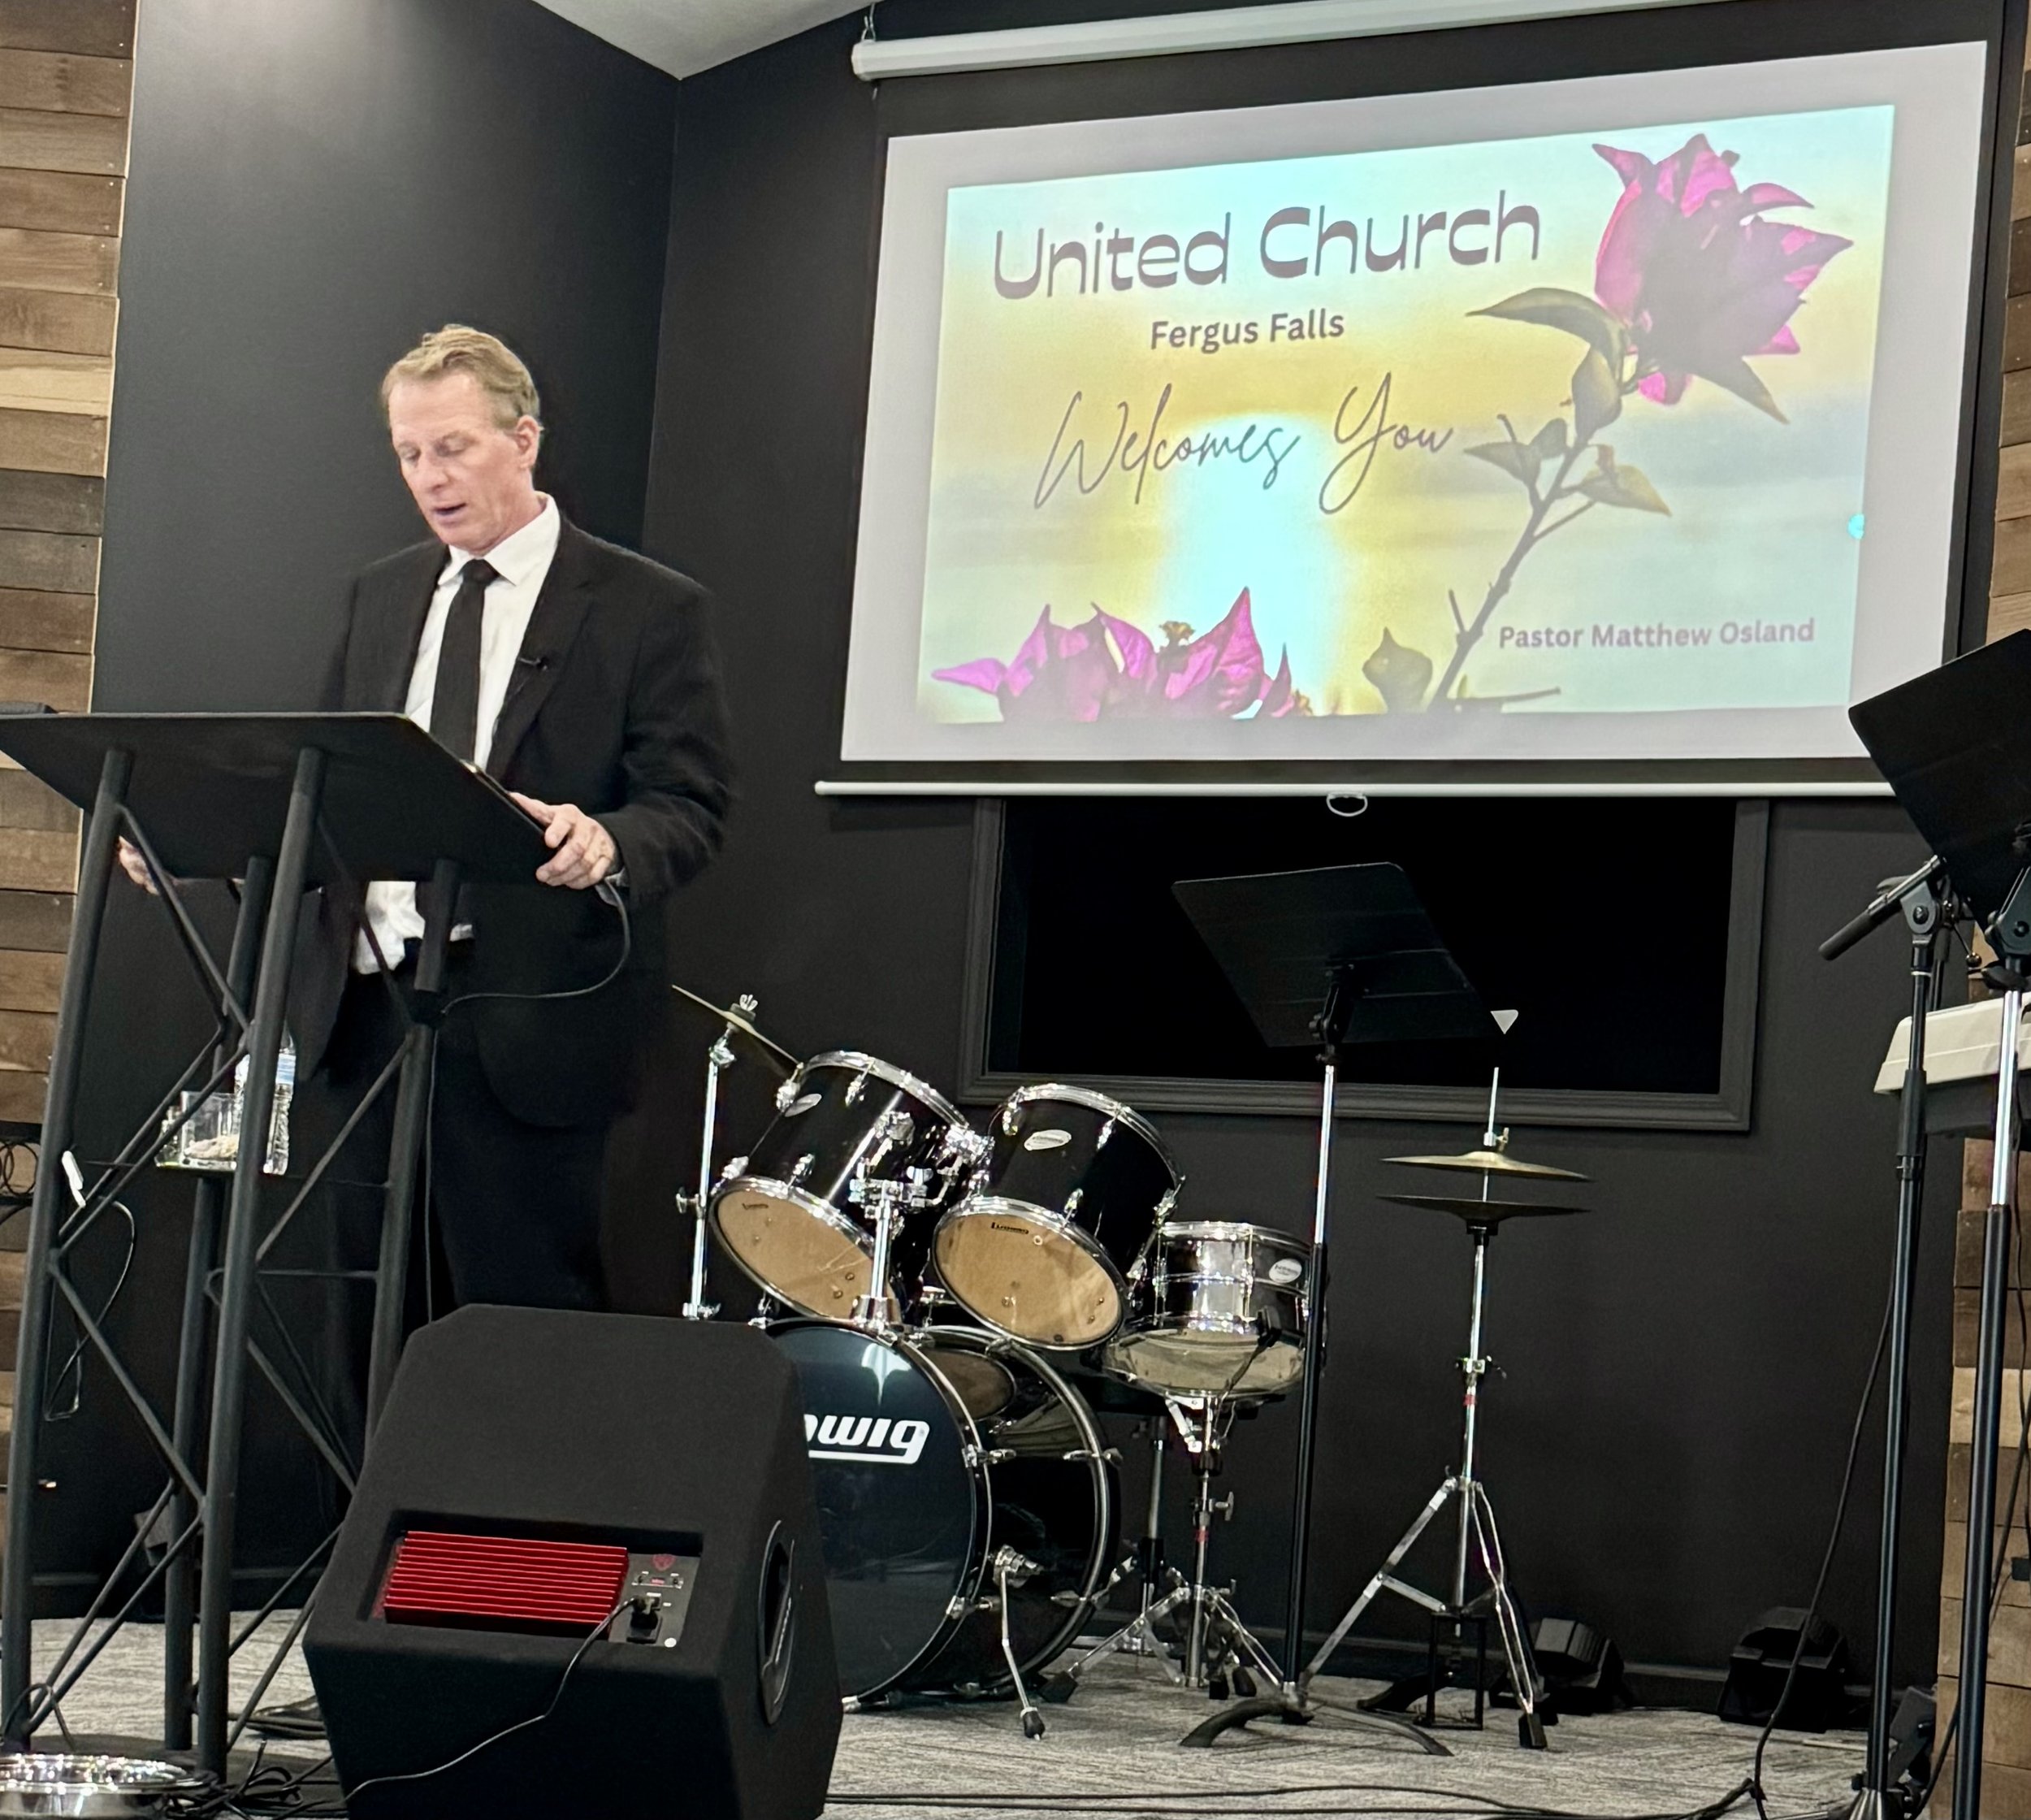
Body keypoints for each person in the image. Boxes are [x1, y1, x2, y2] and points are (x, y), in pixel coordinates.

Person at [123, 324, 732, 1311]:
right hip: (362, 1019)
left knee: (518, 1327)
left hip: (525, 1021)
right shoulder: (381, 595)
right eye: (409, 453)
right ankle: (373, 1479)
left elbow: (692, 804)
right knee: (366, 1323)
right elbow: (326, 794)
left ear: (523, 439)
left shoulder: (644, 607)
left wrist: (607, 839)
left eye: (453, 447)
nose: (429, 476)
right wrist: (200, 849)